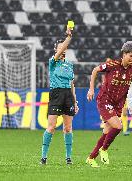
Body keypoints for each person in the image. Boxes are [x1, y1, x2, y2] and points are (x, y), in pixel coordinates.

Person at [86, 41, 132, 168]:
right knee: (118, 126)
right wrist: (91, 89)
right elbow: (95, 70)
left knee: (106, 132)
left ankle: (91, 158)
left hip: (118, 103)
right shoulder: (112, 65)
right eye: (131, 56)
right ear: (124, 54)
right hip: (105, 100)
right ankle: (104, 150)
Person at [40, 26, 79, 165]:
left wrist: (75, 102)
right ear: (56, 50)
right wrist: (68, 37)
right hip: (56, 94)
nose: (62, 49)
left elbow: (72, 83)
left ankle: (68, 158)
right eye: (60, 47)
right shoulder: (53, 62)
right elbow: (61, 49)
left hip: (68, 95)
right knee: (51, 127)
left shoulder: (69, 64)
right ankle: (43, 157)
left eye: (64, 47)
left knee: (68, 128)